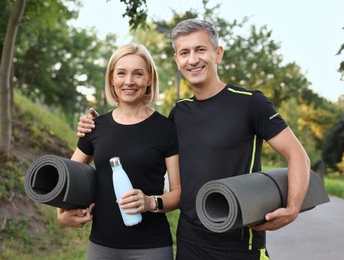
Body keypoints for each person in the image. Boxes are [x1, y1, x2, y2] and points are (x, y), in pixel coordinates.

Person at [77, 19, 310, 260]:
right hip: (189, 243)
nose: (193, 59)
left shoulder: (251, 103)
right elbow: (134, 137)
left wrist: (293, 209)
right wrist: (97, 127)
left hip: (240, 243)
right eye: (185, 53)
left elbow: (297, 155)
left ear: (217, 54)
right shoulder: (178, 113)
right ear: (177, 60)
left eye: (200, 50)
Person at [58, 43, 181, 260]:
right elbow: (68, 180)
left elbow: (178, 193)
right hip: (101, 247)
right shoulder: (94, 127)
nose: (129, 81)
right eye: (121, 73)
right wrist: (62, 214)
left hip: (151, 247)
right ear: (112, 79)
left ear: (150, 78)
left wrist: (151, 202)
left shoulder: (166, 129)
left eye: (138, 74)